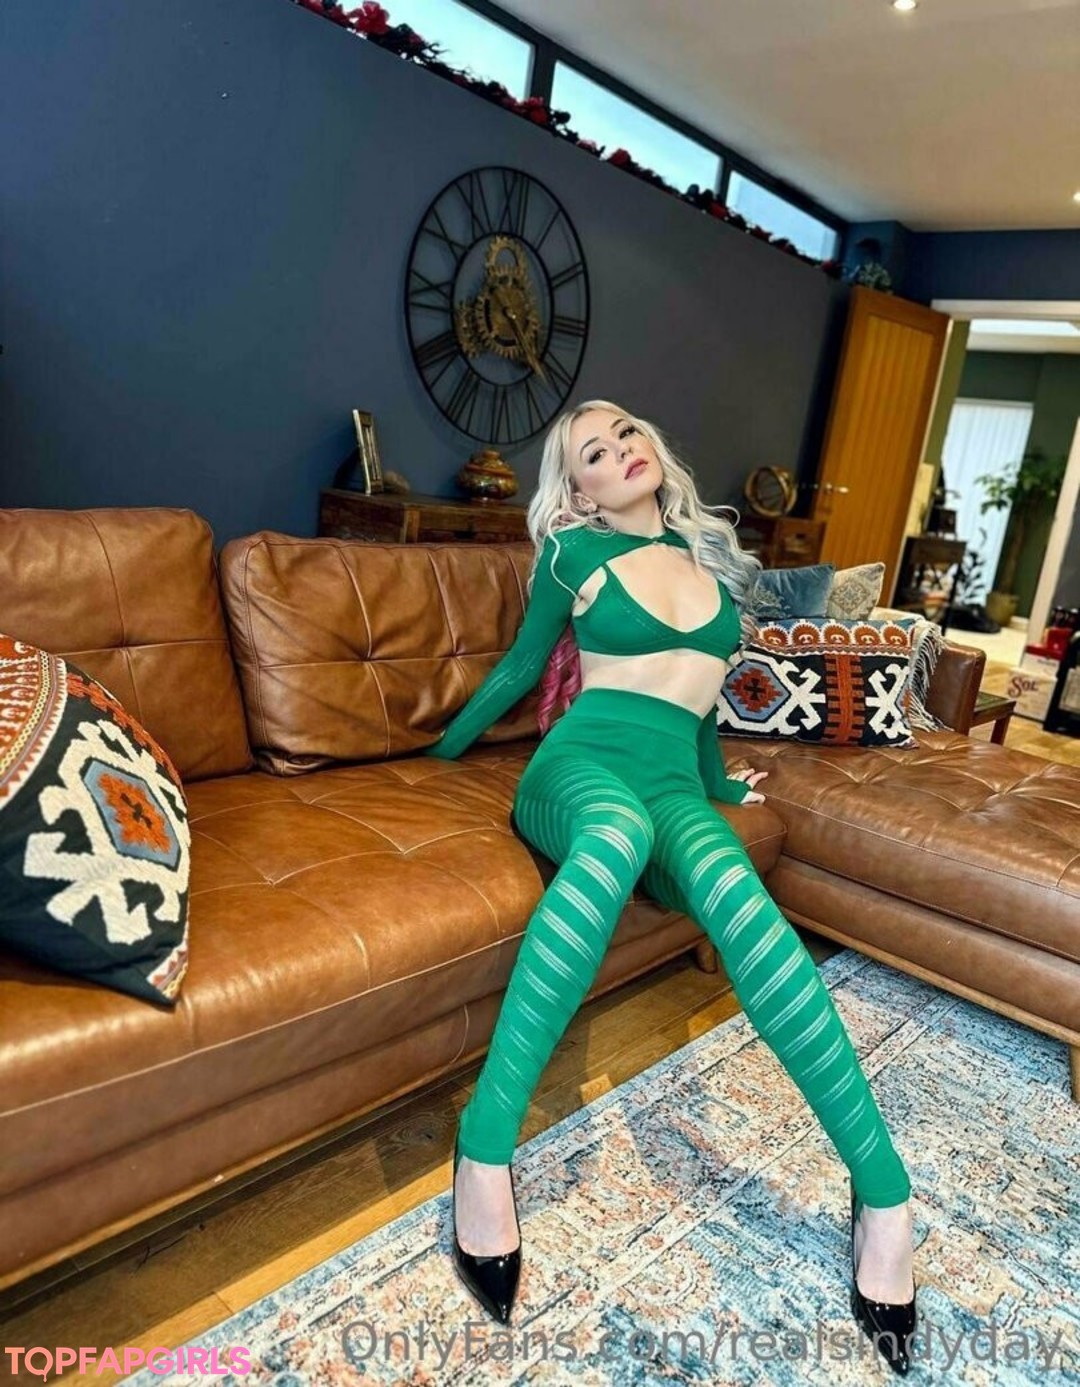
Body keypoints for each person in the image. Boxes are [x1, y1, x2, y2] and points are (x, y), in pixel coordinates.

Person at [424, 400, 918, 1373]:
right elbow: (521, 670)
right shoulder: (571, 556)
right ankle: (485, 1144)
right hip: (580, 769)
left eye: (626, 434)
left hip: (671, 786)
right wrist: (434, 760)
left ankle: (885, 1193)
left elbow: (694, 712)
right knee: (613, 841)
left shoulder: (708, 567)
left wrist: (722, 786)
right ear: (579, 492)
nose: (620, 452)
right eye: (593, 453)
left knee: (741, 899)